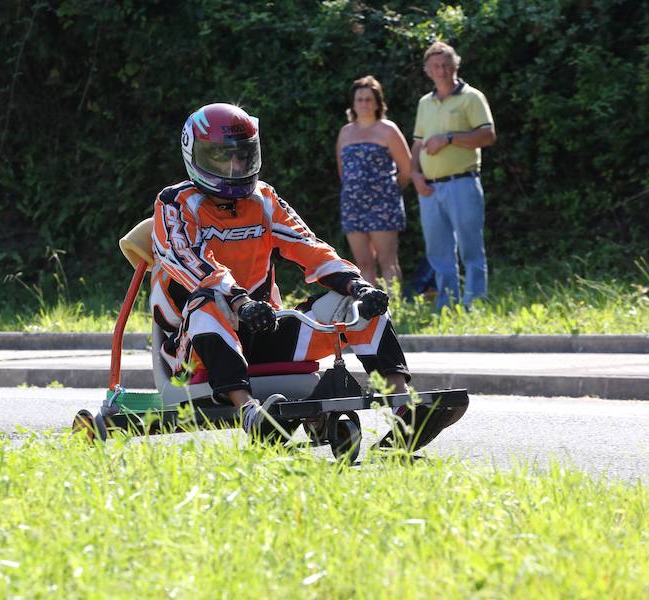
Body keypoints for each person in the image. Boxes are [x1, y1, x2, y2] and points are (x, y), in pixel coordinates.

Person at [152, 102, 411, 434]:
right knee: (207, 304)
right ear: (196, 155)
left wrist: (357, 285)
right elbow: (189, 263)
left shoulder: (264, 199)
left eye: (242, 155)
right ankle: (247, 410)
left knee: (356, 305)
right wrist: (240, 302)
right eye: (221, 157)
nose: (234, 166)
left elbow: (310, 247)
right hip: (195, 348)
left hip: (261, 327)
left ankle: (403, 404)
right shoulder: (174, 203)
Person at [411, 41, 496, 311]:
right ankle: (447, 306)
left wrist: (448, 138)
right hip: (430, 189)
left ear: (456, 66)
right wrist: (415, 174)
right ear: (428, 70)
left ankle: (475, 303)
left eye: (447, 64)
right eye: (436, 66)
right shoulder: (425, 103)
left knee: (471, 248)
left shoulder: (472, 97)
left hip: (463, 182)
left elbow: (487, 135)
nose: (442, 70)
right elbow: (417, 143)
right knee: (439, 254)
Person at [336, 75, 412, 289]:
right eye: (359, 99)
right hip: (353, 205)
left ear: (378, 102)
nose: (364, 104)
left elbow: (406, 170)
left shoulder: (388, 130)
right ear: (353, 103)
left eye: (368, 99)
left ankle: (394, 309)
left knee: (387, 261)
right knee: (362, 263)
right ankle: (370, 312)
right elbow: (343, 171)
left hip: (383, 205)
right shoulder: (345, 132)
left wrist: (387, 191)